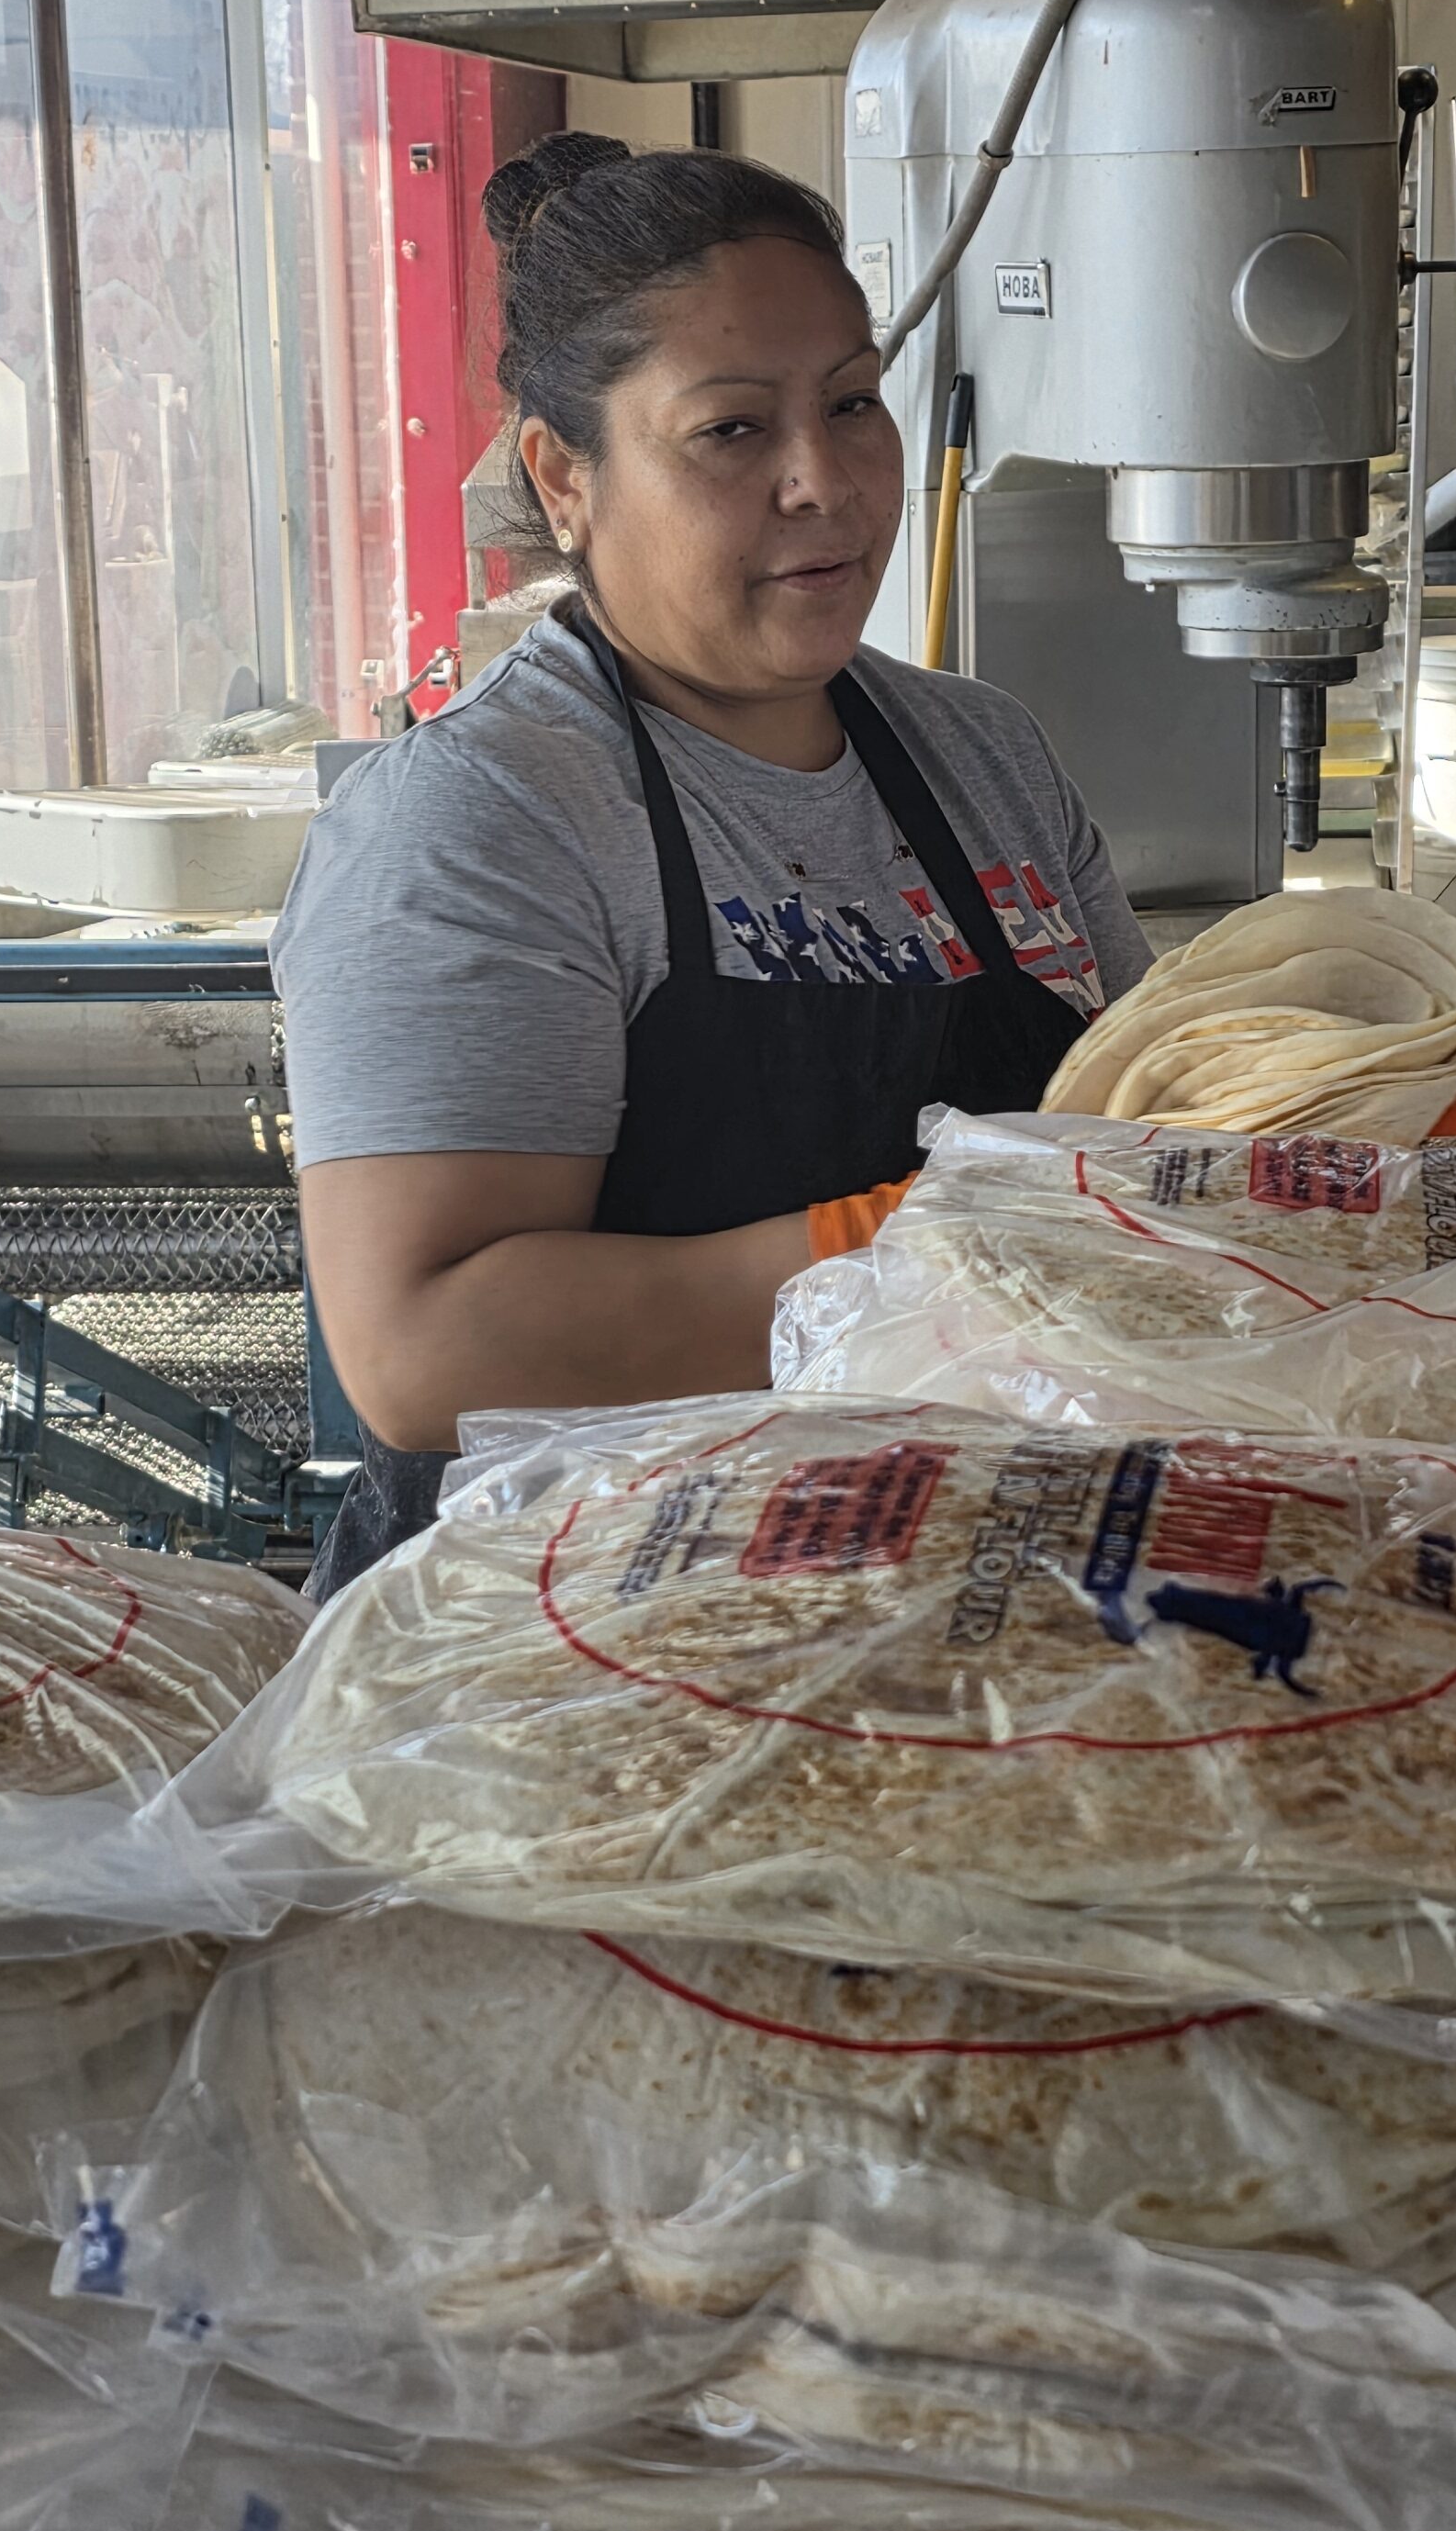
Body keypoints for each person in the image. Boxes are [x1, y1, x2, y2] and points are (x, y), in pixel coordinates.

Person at [277, 130, 1150, 1596]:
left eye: (855, 404)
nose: (827, 480)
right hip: (572, 1640)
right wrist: (917, 1256)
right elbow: (425, 1348)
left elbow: (1146, 1125)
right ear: (564, 479)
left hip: (966, 1581)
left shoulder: (984, 759)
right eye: (734, 430)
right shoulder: (488, 818)